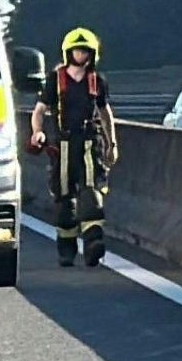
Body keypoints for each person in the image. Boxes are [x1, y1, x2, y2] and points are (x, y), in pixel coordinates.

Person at [29, 27, 119, 267]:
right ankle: (66, 248)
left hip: (91, 142)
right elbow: (39, 110)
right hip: (64, 144)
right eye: (78, 51)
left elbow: (104, 111)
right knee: (64, 197)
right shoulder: (55, 80)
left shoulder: (97, 81)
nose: (82, 55)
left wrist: (112, 142)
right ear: (69, 52)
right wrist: (37, 132)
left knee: (92, 191)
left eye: (86, 51)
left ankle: (93, 243)